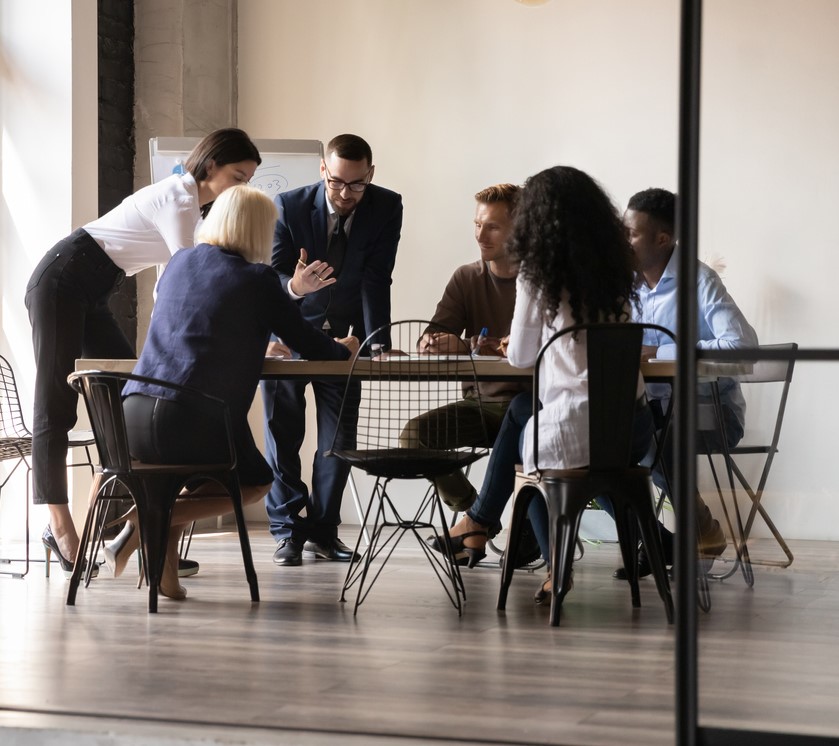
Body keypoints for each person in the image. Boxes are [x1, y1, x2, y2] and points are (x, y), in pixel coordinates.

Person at [25, 127, 262, 578]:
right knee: (56, 402)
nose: (243, 188)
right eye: (238, 176)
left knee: (125, 399)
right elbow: (183, 276)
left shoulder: (200, 207)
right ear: (210, 166)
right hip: (61, 279)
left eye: (249, 179)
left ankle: (128, 532)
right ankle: (59, 525)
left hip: (93, 288)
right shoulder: (179, 198)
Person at [103, 185, 357, 599]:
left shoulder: (180, 262)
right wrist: (342, 348)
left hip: (131, 413)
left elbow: (200, 327)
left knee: (184, 481)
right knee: (256, 482)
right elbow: (308, 343)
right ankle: (143, 521)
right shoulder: (257, 278)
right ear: (258, 230)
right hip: (190, 415)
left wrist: (252, 342)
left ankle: (164, 577)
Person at [428, 165, 655, 602]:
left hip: (578, 424)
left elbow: (520, 357)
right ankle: (485, 526)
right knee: (522, 420)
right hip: (632, 424)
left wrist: (523, 339)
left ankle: (504, 537)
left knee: (530, 467)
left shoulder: (538, 273)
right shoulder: (615, 269)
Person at [262, 134, 403, 567]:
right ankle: (287, 531)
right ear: (323, 170)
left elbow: (378, 277)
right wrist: (294, 287)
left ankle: (324, 531)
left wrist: (376, 342)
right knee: (283, 436)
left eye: (356, 185)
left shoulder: (387, 206)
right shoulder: (288, 205)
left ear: (370, 175)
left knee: (337, 440)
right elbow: (272, 276)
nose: (345, 194)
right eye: (337, 182)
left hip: (346, 341)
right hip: (288, 335)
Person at [610, 187, 759, 579]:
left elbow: (742, 346)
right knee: (600, 448)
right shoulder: (625, 286)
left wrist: (660, 353)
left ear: (663, 239)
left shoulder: (699, 281)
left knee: (659, 441)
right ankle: (658, 538)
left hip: (714, 414)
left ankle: (701, 533)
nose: (622, 241)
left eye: (631, 234)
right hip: (652, 411)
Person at [399, 183, 528, 512]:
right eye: (477, 224)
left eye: (493, 227)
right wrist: (435, 343)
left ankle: (490, 528)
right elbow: (431, 338)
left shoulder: (540, 281)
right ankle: (476, 515)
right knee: (414, 436)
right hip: (481, 407)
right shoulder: (467, 278)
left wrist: (468, 345)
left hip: (532, 408)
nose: (480, 236)